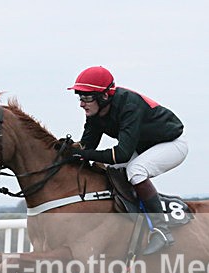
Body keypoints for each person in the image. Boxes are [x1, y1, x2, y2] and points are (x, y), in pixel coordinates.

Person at [67, 66, 188, 255]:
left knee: (136, 170)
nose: (82, 103)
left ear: (104, 96)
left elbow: (121, 154)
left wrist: (85, 154)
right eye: (80, 97)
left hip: (171, 144)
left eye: (87, 97)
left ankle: (161, 231)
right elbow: (86, 147)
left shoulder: (129, 106)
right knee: (104, 167)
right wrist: (67, 150)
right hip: (143, 147)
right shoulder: (95, 113)